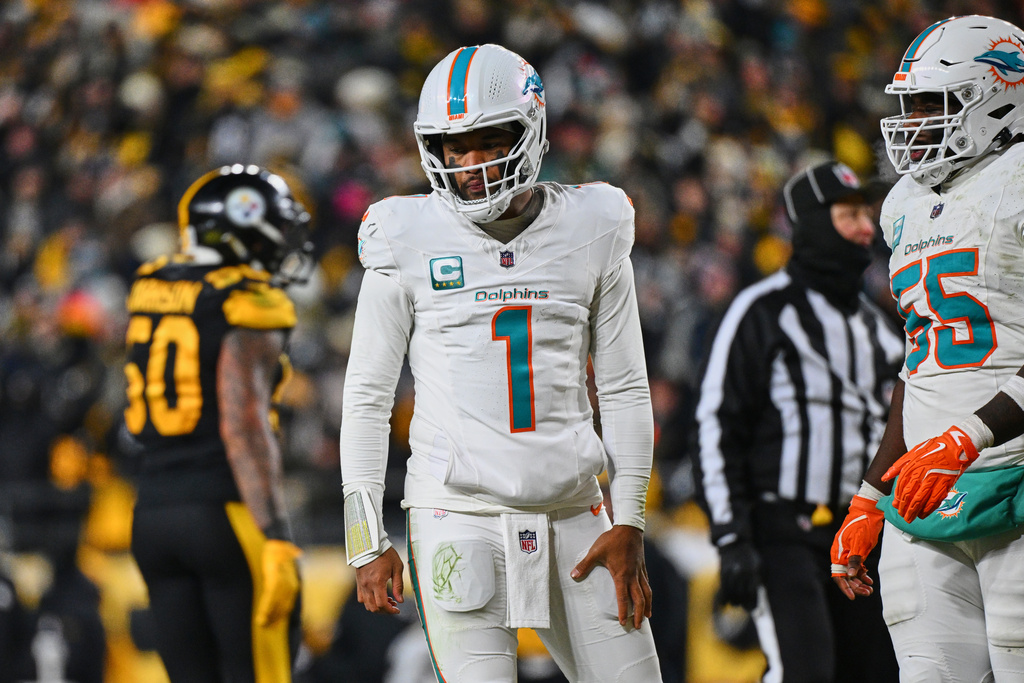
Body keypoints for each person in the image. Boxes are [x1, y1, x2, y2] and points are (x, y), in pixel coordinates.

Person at [340, 43, 663, 682]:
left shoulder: (593, 224)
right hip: (458, 512)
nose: (469, 164)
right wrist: (364, 539)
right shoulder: (405, 235)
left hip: (576, 508)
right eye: (453, 148)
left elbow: (626, 387)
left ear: (531, 130)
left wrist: (630, 518)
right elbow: (368, 397)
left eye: (487, 142)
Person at [829, 14, 1024, 680]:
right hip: (925, 498)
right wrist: (867, 494)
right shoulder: (905, 204)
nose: (913, 122)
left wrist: (969, 434)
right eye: (907, 106)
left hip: (1016, 476)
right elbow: (920, 362)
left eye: (932, 104)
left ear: (998, 96)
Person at [694, 160, 904, 682]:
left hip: (860, 538)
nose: (865, 227)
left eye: (867, 214)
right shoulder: (761, 311)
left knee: (877, 673)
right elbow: (716, 427)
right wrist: (732, 537)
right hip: (781, 531)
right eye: (850, 214)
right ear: (811, 221)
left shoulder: (880, 329)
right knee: (803, 672)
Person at [124, 164, 313, 682]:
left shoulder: (152, 284)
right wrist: (274, 533)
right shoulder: (246, 300)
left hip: (153, 514)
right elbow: (243, 423)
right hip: (225, 514)